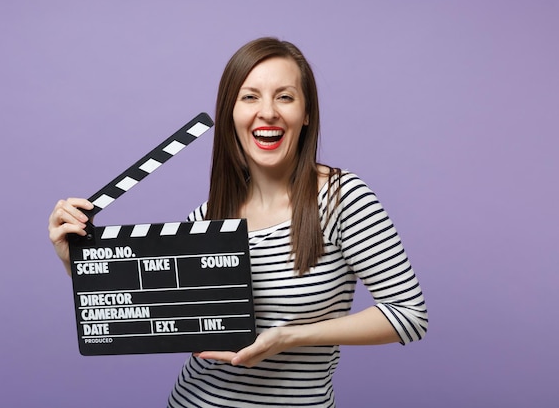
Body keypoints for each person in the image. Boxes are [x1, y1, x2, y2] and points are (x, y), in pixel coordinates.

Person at [48, 37, 428, 407]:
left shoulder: (342, 199)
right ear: (231, 112)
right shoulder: (211, 216)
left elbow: (408, 316)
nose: (268, 112)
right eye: (250, 96)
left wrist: (287, 337)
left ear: (307, 112)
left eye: (285, 96)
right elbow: (149, 309)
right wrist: (76, 259)